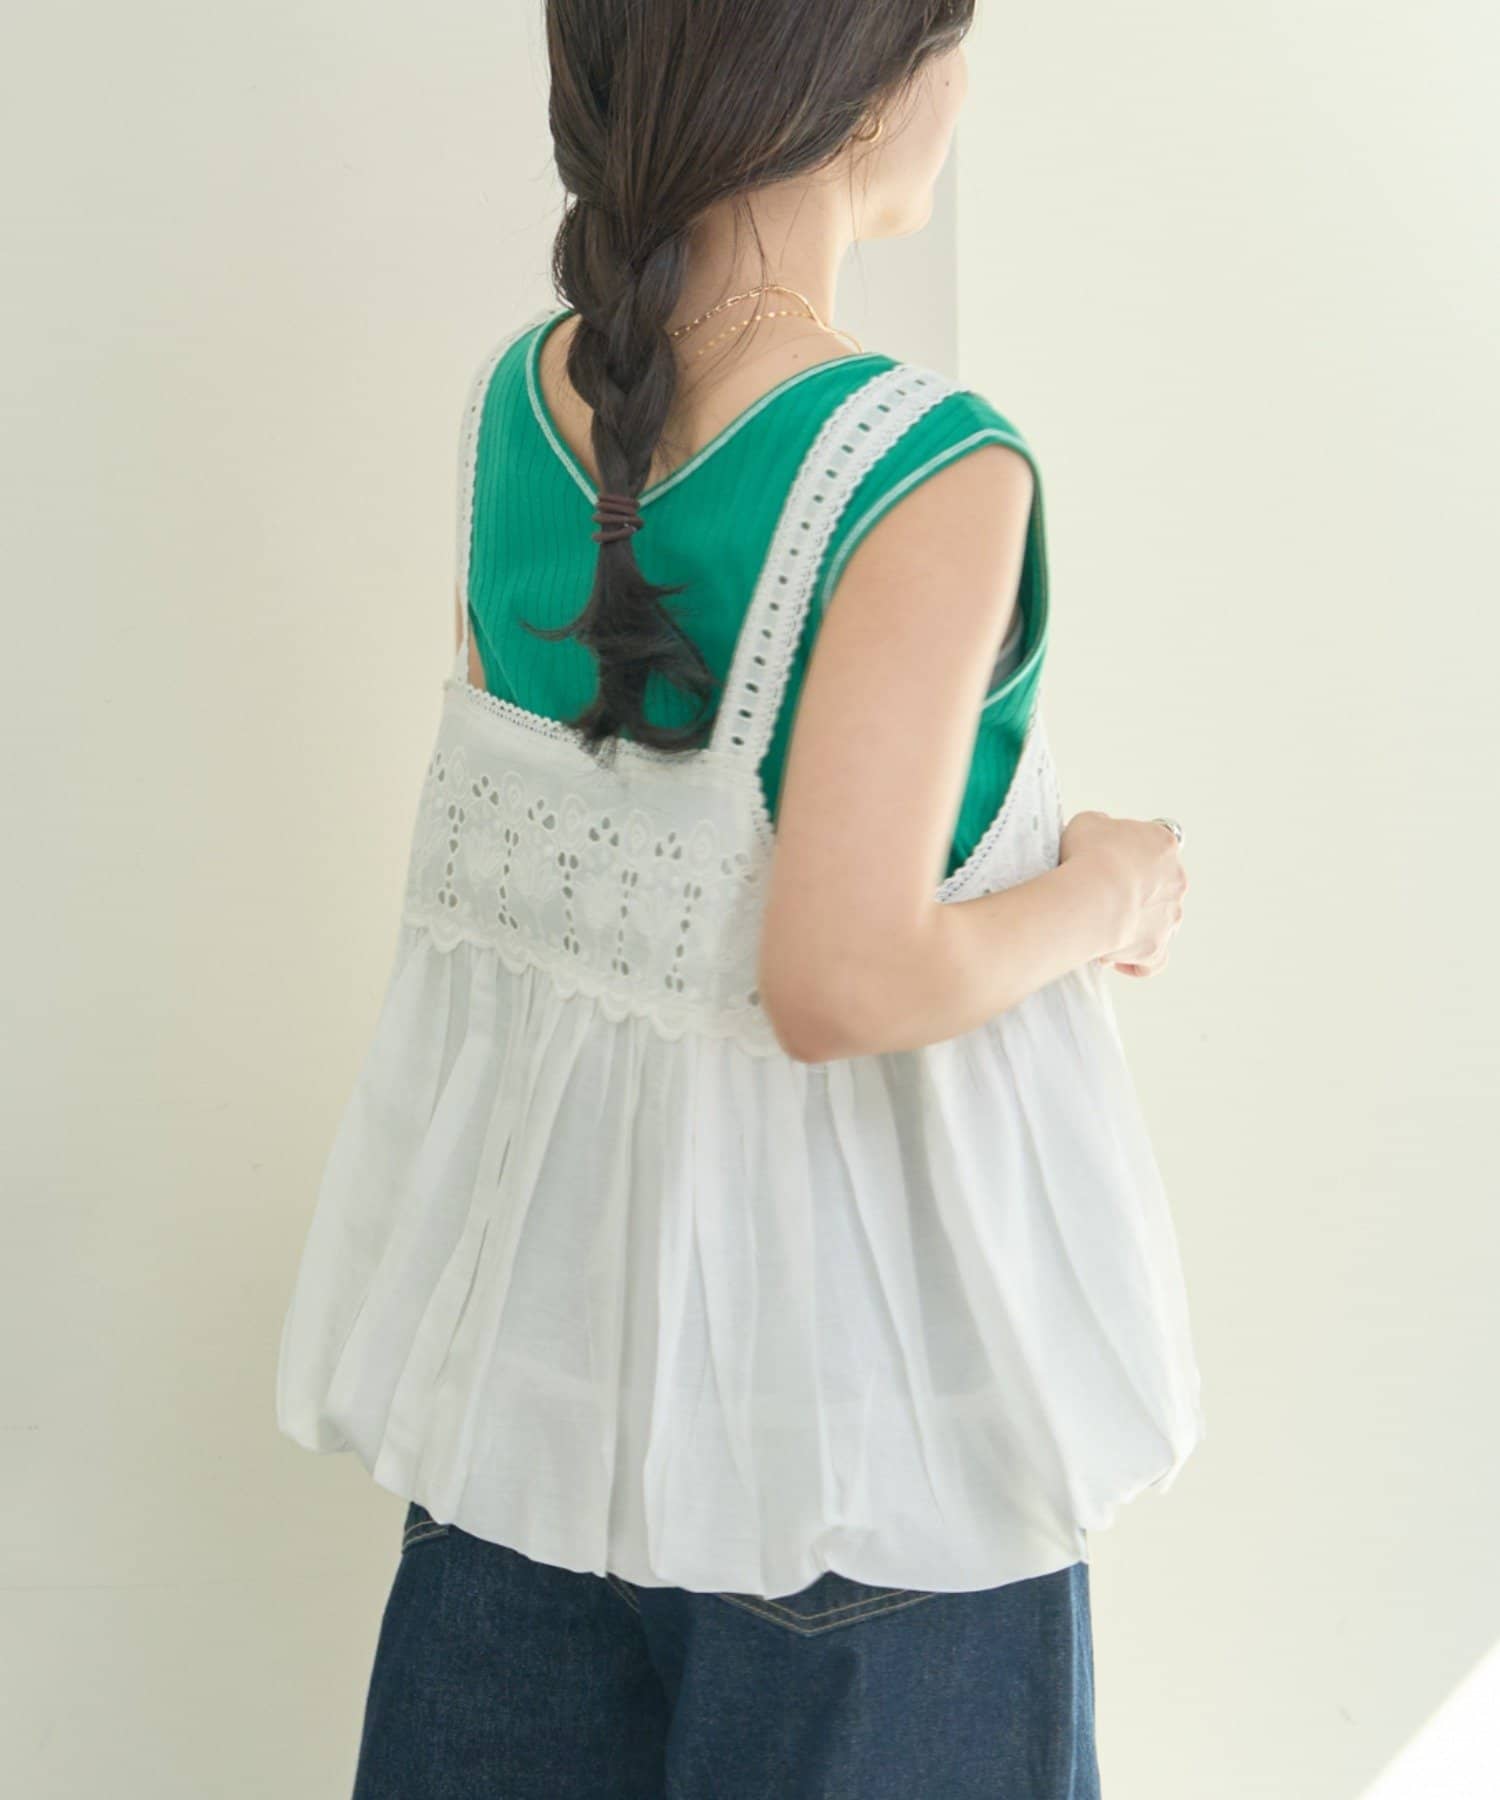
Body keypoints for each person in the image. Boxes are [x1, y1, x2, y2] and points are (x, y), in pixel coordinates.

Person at [274, 2, 1205, 1794]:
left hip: (539, 1410)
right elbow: (838, 980)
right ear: (856, 91)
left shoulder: (522, 403)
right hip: (856, 1451)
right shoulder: (927, 469)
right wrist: (1107, 891)